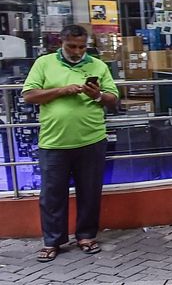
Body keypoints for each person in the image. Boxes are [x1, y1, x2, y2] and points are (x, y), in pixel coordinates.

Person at [22, 25, 119, 262]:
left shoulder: (98, 65)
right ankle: (53, 241)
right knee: (52, 195)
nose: (77, 52)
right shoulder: (44, 63)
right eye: (72, 46)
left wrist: (96, 95)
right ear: (61, 43)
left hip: (92, 140)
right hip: (54, 142)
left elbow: (113, 99)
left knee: (90, 192)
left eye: (82, 47)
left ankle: (86, 236)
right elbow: (29, 95)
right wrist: (61, 90)